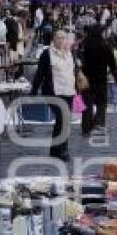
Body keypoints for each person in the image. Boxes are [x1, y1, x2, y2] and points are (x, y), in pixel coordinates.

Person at [31, 30, 78, 161]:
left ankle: (55, 149)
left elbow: (73, 71)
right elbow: (40, 73)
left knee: (64, 121)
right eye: (59, 38)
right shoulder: (47, 54)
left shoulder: (70, 53)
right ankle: (63, 150)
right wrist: (34, 91)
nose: (61, 40)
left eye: (64, 38)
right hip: (53, 92)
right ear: (54, 39)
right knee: (63, 118)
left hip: (68, 91)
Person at [80, 24, 117, 136]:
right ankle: (98, 125)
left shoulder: (84, 45)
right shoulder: (105, 46)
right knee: (101, 103)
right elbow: (113, 64)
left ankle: (86, 128)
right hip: (100, 79)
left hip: (86, 78)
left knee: (87, 104)